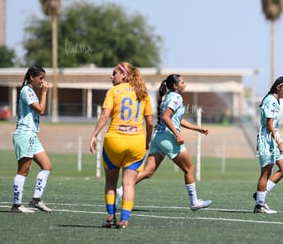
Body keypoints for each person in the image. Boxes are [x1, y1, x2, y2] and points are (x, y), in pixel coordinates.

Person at [116, 74, 212, 211]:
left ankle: (120, 191)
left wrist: (198, 128)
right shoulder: (176, 97)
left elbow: (177, 119)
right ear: (175, 86)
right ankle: (194, 202)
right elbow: (167, 118)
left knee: (147, 172)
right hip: (167, 138)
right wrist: (177, 134)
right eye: (183, 82)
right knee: (189, 169)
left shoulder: (167, 97)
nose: (185, 84)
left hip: (158, 138)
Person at [89, 62, 153, 229]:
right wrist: (147, 141)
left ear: (124, 75)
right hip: (137, 142)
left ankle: (110, 217)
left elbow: (104, 115)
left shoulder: (113, 91)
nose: (112, 76)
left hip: (114, 141)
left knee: (111, 182)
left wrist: (94, 135)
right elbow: (150, 122)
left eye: (114, 73)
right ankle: (124, 220)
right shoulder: (143, 93)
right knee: (129, 184)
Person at [11, 65, 52, 213]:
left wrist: (42, 92)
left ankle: (36, 200)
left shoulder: (32, 91)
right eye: (40, 78)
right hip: (24, 134)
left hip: (32, 135)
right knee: (24, 170)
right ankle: (16, 205)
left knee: (47, 166)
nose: (42, 81)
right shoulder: (26, 90)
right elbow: (41, 110)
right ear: (32, 78)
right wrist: (45, 92)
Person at [253, 76, 283, 214]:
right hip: (268, 139)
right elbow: (269, 125)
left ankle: (260, 194)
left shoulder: (275, 101)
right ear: (278, 87)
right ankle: (260, 205)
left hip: (271, 139)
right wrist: (280, 143)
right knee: (265, 173)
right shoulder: (271, 101)